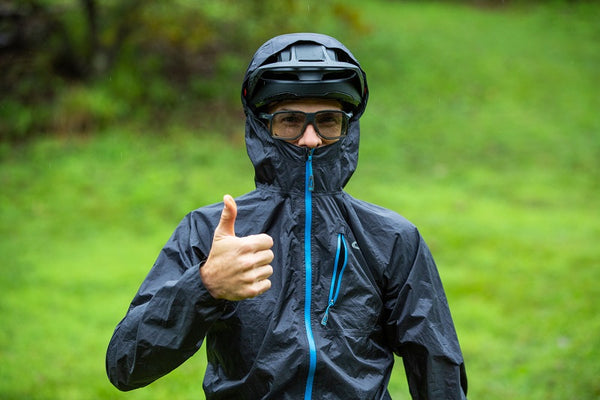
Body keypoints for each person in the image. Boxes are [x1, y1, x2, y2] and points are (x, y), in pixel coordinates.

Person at [106, 32, 468, 399]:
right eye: (290, 120)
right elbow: (126, 364)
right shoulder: (209, 231)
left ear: (348, 128)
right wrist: (205, 285)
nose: (310, 138)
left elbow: (438, 370)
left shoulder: (392, 238)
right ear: (262, 126)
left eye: (327, 120)